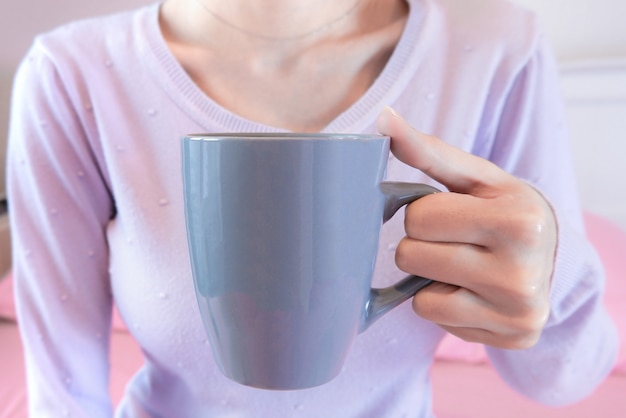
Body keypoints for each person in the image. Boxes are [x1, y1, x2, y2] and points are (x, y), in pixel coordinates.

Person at [6, 0, 618, 416]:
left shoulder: (495, 54)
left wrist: (548, 274)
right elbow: (65, 398)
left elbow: (563, 381)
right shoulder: (71, 74)